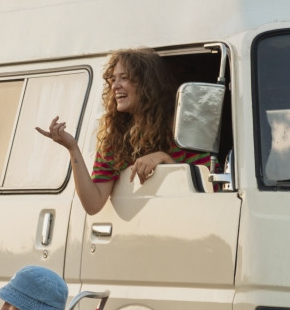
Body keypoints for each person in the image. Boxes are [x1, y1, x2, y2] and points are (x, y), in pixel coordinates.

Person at [36, 47, 212, 215]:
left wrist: (164, 159)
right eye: (113, 79)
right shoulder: (113, 140)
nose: (115, 86)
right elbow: (93, 204)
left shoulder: (183, 130)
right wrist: (72, 148)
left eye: (124, 78)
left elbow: (211, 188)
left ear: (147, 85)